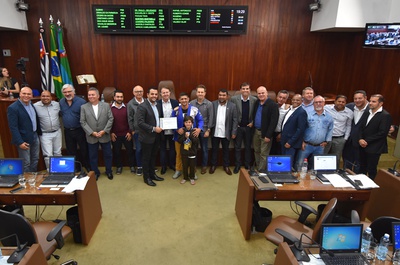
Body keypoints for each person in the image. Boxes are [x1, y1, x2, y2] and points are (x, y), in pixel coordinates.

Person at [80, 87, 114, 180]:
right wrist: (92, 132)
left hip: (105, 135)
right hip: (92, 136)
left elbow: (111, 119)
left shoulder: (106, 106)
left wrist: (104, 131)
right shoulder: (84, 107)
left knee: (108, 154)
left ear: (98, 96)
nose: (90, 96)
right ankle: (95, 172)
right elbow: (82, 122)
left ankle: (109, 171)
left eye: (93, 94)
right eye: (89, 95)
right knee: (93, 156)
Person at [358, 94, 392, 180]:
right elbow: (361, 127)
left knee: (371, 169)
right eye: (370, 101)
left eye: (374, 101)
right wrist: (360, 139)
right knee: (362, 167)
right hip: (362, 145)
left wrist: (366, 140)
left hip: (374, 147)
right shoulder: (367, 112)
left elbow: (382, 133)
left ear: (380, 104)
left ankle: (371, 190)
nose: (370, 103)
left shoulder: (385, 115)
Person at [7, 87, 41, 172]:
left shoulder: (31, 104)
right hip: (23, 139)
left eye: (29, 94)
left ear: (32, 95)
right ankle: (27, 182)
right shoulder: (13, 108)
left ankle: (33, 179)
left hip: (34, 136)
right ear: (20, 94)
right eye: (24, 93)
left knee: (35, 159)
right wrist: (20, 142)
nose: (26, 96)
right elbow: (13, 127)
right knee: (26, 162)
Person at [171, 92, 203, 179]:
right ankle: (178, 170)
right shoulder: (176, 110)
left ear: (188, 99)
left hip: (191, 136)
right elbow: (171, 122)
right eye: (182, 99)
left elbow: (200, 120)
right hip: (179, 136)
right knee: (179, 154)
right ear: (179, 100)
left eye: (185, 99)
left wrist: (199, 129)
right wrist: (177, 129)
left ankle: (192, 171)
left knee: (192, 154)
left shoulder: (194, 109)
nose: (184, 100)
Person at [136, 87, 164, 186]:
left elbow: (160, 118)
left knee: (153, 157)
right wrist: (153, 128)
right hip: (147, 137)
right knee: (146, 158)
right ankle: (146, 178)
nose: (154, 96)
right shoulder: (142, 106)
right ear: (147, 95)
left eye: (156, 94)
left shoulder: (158, 105)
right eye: (152, 94)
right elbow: (140, 123)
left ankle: (152, 175)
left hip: (156, 137)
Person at [296, 95, 333, 169]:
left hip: (320, 147)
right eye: (316, 102)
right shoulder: (307, 115)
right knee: (299, 164)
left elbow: (330, 130)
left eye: (320, 102)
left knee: (316, 167)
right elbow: (302, 129)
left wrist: (326, 141)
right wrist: (302, 141)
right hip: (306, 145)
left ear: (324, 103)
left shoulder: (329, 117)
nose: (318, 104)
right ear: (313, 104)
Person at [59, 84, 90, 172]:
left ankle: (87, 166)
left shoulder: (81, 102)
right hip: (68, 131)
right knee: (71, 151)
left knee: (84, 149)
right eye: (65, 92)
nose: (67, 94)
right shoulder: (61, 102)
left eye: (69, 91)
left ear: (74, 92)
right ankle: (76, 168)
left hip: (80, 130)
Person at [209, 89, 238, 175]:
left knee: (226, 150)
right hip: (215, 131)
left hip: (226, 132)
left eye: (223, 95)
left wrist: (234, 132)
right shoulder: (213, 104)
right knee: (214, 149)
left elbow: (235, 120)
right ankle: (213, 165)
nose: (221, 97)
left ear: (227, 96)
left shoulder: (232, 106)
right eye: (220, 95)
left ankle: (226, 166)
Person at [230, 82, 257, 173]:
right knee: (237, 147)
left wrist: (253, 122)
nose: (245, 90)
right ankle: (237, 165)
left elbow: (257, 113)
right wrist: (234, 124)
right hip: (238, 127)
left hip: (249, 128)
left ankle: (247, 164)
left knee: (248, 147)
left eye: (247, 89)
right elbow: (231, 113)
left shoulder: (254, 100)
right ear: (240, 90)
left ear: (250, 90)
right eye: (243, 89)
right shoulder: (234, 99)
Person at [252, 86, 279, 172]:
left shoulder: (273, 105)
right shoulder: (257, 103)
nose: (261, 95)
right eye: (259, 93)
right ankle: (258, 167)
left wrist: (268, 135)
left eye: (263, 93)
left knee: (264, 153)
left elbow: (273, 122)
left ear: (267, 93)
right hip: (256, 131)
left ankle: (261, 170)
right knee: (256, 151)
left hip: (266, 133)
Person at [33, 90, 62, 170]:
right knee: (48, 155)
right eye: (43, 96)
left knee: (58, 153)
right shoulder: (35, 106)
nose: (45, 98)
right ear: (40, 97)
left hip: (57, 132)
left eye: (47, 96)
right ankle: (51, 172)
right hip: (45, 134)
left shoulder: (57, 104)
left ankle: (60, 170)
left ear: (51, 97)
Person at [342, 90, 369, 172]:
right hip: (349, 141)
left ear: (365, 98)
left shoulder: (371, 109)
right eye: (355, 99)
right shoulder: (349, 106)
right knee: (347, 162)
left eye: (360, 98)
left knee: (359, 165)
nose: (357, 100)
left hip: (363, 143)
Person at [110, 90, 136, 175]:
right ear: (114, 97)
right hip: (115, 135)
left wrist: (130, 131)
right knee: (117, 152)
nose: (119, 98)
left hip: (127, 134)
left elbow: (131, 120)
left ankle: (132, 166)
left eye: (121, 97)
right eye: (117, 97)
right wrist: (111, 133)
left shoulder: (128, 107)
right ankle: (119, 167)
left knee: (130, 151)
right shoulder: (110, 108)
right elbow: (107, 121)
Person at [189, 84, 213, 174]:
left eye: (202, 92)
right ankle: (193, 166)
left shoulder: (209, 104)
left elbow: (211, 118)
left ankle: (204, 166)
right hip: (194, 130)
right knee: (193, 149)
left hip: (204, 130)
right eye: (198, 92)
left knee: (204, 149)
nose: (200, 94)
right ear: (196, 93)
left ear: (205, 93)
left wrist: (208, 130)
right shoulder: (191, 103)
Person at [323, 95, 353, 167]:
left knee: (335, 158)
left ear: (345, 103)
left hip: (339, 138)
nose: (341, 103)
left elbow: (348, 126)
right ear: (335, 101)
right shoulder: (326, 108)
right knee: (323, 156)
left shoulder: (349, 112)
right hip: (326, 138)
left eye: (343, 102)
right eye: (339, 101)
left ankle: (334, 174)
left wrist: (345, 138)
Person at [280, 94, 307, 168]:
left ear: (301, 101)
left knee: (288, 163)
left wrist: (290, 142)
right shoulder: (290, 109)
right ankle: (283, 175)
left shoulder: (302, 112)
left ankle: (287, 177)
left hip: (291, 143)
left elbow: (300, 130)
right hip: (284, 140)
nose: (295, 101)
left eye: (297, 100)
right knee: (283, 161)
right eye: (294, 99)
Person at [157, 86, 179, 175]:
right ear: (160, 94)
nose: (165, 94)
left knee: (172, 149)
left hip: (173, 130)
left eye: (167, 92)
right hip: (161, 130)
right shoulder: (157, 103)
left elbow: (178, 115)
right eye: (163, 92)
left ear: (170, 93)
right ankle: (163, 166)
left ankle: (172, 165)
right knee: (162, 149)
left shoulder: (175, 102)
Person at [127, 85, 145, 176]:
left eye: (141, 91)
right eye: (137, 91)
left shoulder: (147, 101)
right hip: (137, 131)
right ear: (133, 93)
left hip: (147, 130)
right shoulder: (130, 104)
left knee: (147, 149)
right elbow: (130, 118)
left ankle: (147, 166)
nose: (139, 93)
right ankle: (139, 167)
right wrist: (132, 130)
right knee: (139, 149)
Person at [177, 115, 199, 185]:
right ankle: (185, 177)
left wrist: (190, 137)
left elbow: (196, 141)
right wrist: (184, 137)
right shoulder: (182, 131)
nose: (188, 124)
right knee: (185, 165)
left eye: (189, 122)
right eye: (186, 122)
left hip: (192, 152)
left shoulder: (194, 131)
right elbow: (179, 141)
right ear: (184, 123)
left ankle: (192, 177)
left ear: (192, 123)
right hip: (184, 152)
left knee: (192, 166)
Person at [271, 90, 290, 155]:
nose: (281, 99)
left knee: (279, 152)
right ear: (277, 97)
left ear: (286, 99)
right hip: (271, 133)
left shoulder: (288, 109)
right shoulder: (273, 106)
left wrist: (281, 133)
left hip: (281, 134)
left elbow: (288, 124)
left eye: (284, 98)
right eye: (280, 97)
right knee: (271, 152)